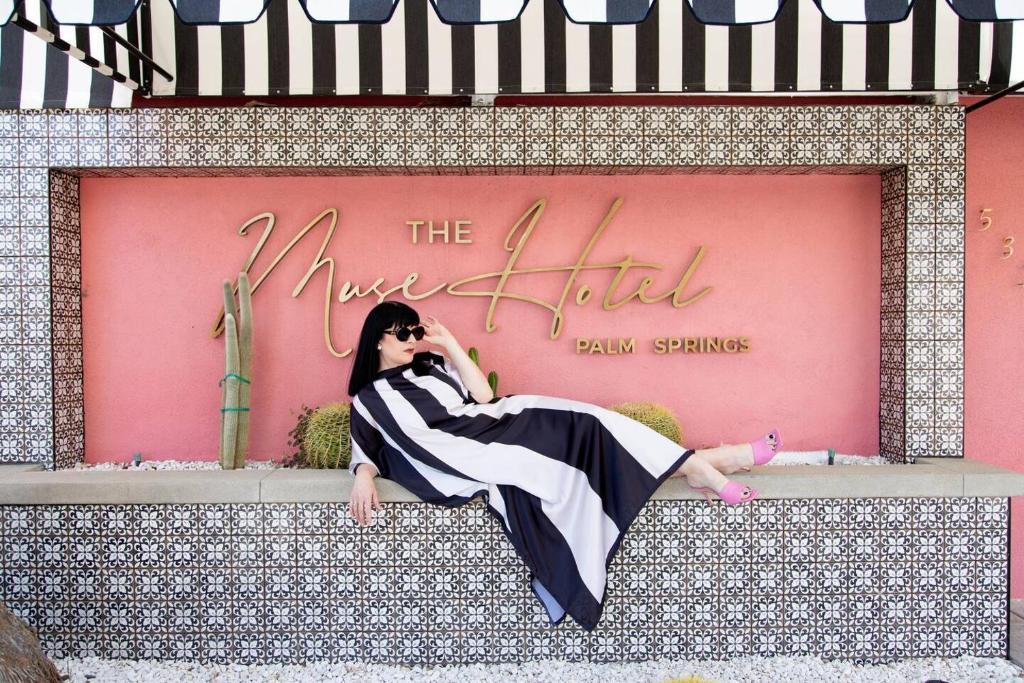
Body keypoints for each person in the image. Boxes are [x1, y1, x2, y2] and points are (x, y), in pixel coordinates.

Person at [345, 300, 783, 631]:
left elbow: (483, 396)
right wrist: (363, 475)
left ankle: (707, 464)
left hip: (498, 424)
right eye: (401, 333)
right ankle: (714, 462)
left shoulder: (432, 367)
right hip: (476, 453)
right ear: (378, 340)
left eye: (414, 331)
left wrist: (449, 343)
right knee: (587, 435)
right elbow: (365, 447)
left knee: (591, 424)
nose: (412, 340)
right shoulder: (368, 400)